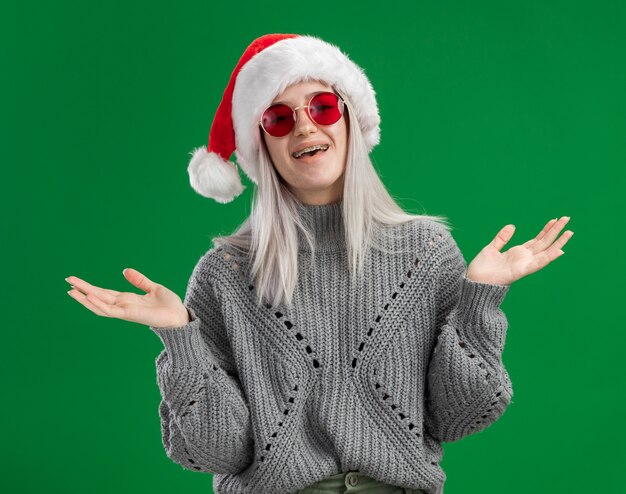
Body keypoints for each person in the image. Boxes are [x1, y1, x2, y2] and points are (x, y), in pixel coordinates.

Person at [66, 33, 574, 494]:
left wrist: (479, 297)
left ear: (351, 119)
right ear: (262, 144)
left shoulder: (426, 253)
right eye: (279, 118)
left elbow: (458, 416)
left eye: (323, 107)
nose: (304, 126)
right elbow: (216, 452)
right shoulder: (227, 273)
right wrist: (179, 336)